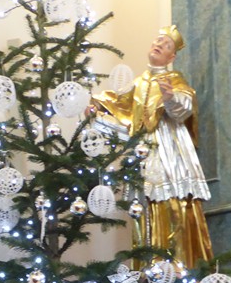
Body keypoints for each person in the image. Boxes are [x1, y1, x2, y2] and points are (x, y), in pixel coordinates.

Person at [91, 26, 213, 269]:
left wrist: (170, 99)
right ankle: (148, 269)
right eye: (158, 41)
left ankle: (178, 267)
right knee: (144, 207)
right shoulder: (138, 84)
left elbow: (184, 106)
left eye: (166, 45)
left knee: (174, 202)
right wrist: (95, 110)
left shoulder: (175, 79)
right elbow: (121, 110)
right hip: (143, 153)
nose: (159, 45)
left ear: (172, 57)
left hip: (170, 150)